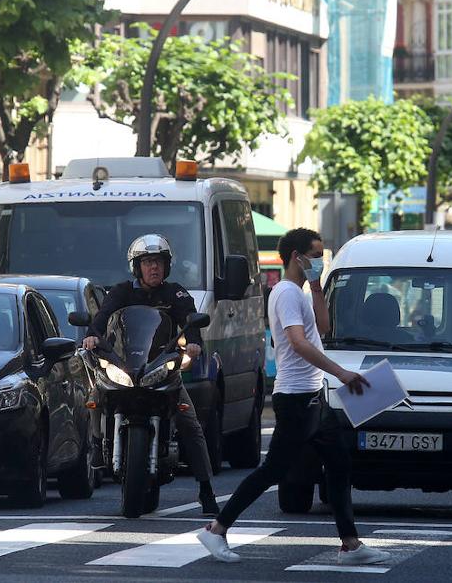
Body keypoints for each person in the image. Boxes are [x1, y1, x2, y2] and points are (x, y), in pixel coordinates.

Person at [198, 228, 389, 566]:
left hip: (313, 396)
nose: (320, 261)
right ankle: (217, 528)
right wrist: (341, 373)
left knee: (340, 464)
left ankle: (350, 545)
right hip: (296, 399)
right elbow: (299, 343)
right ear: (296, 258)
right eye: (315, 256)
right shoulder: (285, 293)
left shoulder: (301, 292)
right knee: (272, 471)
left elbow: (324, 327)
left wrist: (316, 287)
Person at [82, 234, 219, 517]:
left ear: (166, 266)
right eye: (147, 262)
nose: (153, 268)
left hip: (160, 369)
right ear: (137, 267)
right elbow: (102, 318)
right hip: (125, 366)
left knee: (190, 424)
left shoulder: (176, 294)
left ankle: (206, 489)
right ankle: (95, 445)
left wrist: (193, 341)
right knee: (94, 396)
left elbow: (190, 321)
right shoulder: (120, 292)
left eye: (158, 262)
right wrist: (91, 337)